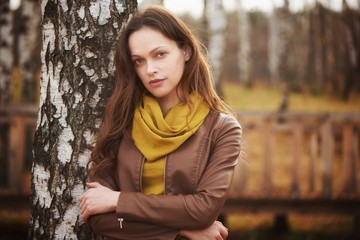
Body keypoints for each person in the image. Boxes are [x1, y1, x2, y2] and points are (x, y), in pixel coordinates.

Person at [79, 5, 242, 240]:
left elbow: (202, 210)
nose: (150, 70)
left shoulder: (223, 129)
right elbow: (99, 217)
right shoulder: (121, 120)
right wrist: (181, 229)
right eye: (139, 61)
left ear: (185, 51)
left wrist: (118, 200)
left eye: (160, 54)